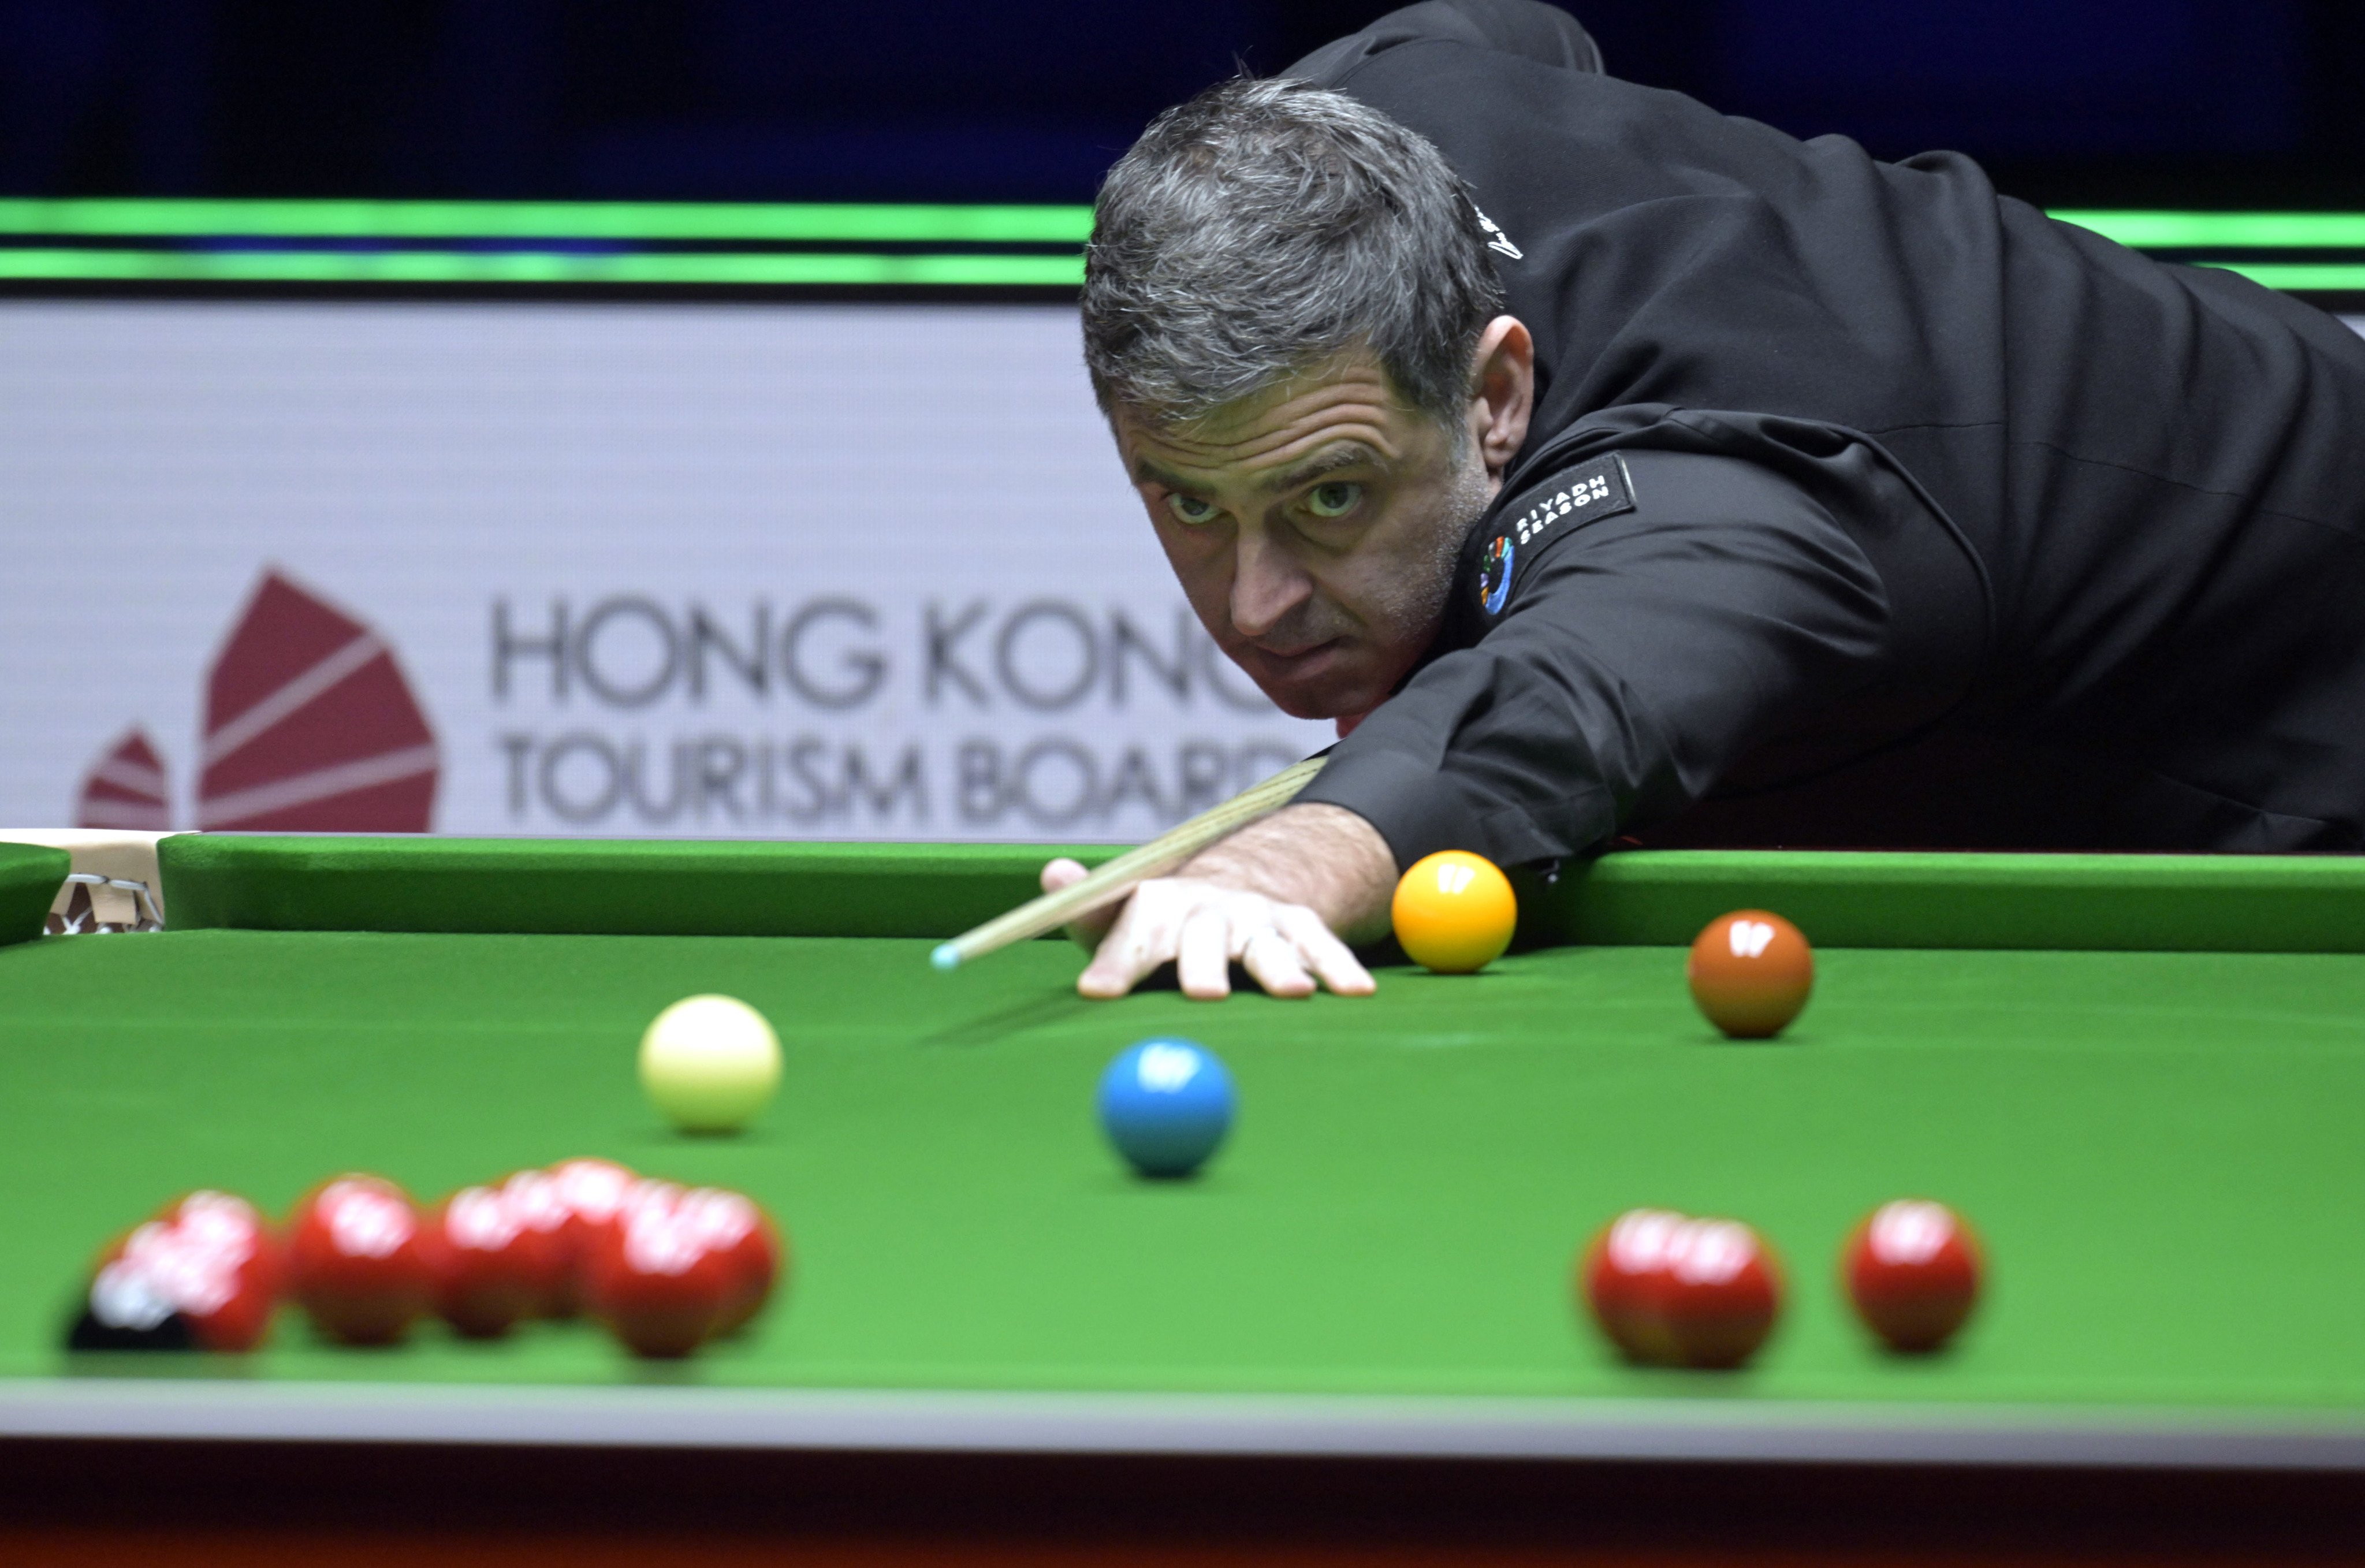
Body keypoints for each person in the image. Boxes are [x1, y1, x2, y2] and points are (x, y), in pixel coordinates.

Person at [1041, 0, 2365, 1002]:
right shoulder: (1369, 121)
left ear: (1496, 395)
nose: (1256, 601)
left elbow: (1573, 696)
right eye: (1190, 506)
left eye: (1328, 496)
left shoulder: (1737, 493)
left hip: (2298, 714)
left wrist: (1303, 850)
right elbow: (1525, 38)